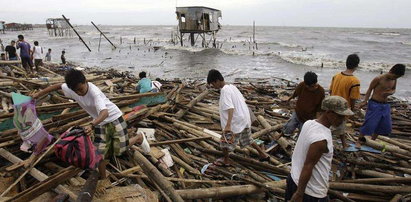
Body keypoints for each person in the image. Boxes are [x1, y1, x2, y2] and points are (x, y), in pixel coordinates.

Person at [32, 69, 151, 161]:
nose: (79, 93)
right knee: (100, 153)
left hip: (114, 118)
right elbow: (57, 86)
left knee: (120, 150)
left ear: (85, 81)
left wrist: (91, 125)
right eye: (75, 91)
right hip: (99, 122)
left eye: (80, 89)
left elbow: (105, 113)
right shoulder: (72, 89)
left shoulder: (95, 93)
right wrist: (39, 94)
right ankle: (103, 177)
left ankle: (138, 137)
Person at [286, 96, 354, 202]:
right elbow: (308, 166)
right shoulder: (321, 140)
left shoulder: (309, 123)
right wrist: (299, 193)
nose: (343, 120)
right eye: (340, 116)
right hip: (310, 191)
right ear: (329, 113)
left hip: (294, 178)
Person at [207, 69, 270, 166]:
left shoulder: (225, 90)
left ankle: (226, 160)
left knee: (224, 143)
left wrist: (228, 125)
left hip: (235, 121)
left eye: (212, 84)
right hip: (243, 119)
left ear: (217, 80)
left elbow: (230, 108)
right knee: (248, 139)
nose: (213, 87)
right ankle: (263, 154)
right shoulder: (232, 87)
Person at [355, 64, 406, 148]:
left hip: (385, 105)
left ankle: (372, 140)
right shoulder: (379, 78)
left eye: (396, 78)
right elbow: (370, 89)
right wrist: (365, 101)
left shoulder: (394, 80)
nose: (394, 78)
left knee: (384, 125)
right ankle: (359, 141)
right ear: (391, 71)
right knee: (369, 123)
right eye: (394, 76)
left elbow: (393, 89)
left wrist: (390, 93)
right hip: (375, 103)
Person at [329, 54, 361, 149]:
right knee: (338, 126)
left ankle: (343, 143)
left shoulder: (336, 76)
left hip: (332, 105)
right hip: (343, 108)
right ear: (356, 65)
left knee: (337, 126)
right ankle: (332, 144)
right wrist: (351, 110)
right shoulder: (354, 81)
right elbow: (353, 98)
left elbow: (330, 91)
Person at [283, 71, 325, 136]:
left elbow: (319, 109)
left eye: (311, 86)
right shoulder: (302, 85)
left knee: (302, 135)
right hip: (298, 113)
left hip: (308, 119)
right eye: (307, 86)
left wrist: (316, 122)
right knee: (288, 128)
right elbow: (295, 93)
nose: (309, 88)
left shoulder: (321, 92)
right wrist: (289, 99)